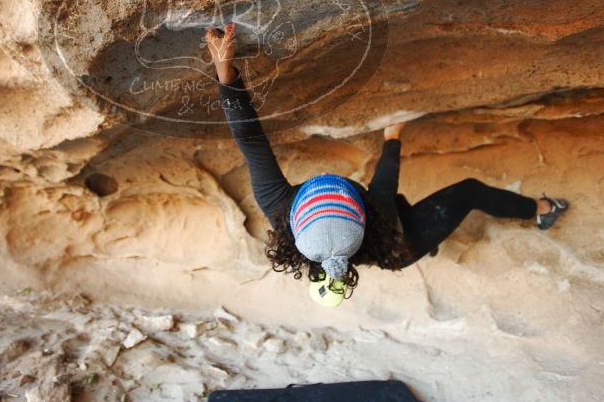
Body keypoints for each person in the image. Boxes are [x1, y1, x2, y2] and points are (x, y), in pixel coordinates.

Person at [205, 22, 569, 299]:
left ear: (297, 223)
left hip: (379, 229)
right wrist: (392, 138)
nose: (329, 180)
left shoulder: (278, 206)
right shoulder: (377, 211)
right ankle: (540, 209)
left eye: (323, 192)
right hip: (401, 246)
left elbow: (250, 138)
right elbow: (386, 178)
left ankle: (429, 237)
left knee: (397, 205)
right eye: (341, 194)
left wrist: (225, 72)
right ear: (362, 215)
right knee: (468, 192)